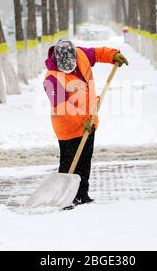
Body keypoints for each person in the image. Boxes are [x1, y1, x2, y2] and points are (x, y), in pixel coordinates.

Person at [43, 40, 129, 206]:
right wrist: (83, 121)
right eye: (65, 65)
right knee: (69, 164)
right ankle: (67, 198)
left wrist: (113, 54)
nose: (70, 67)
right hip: (67, 127)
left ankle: (82, 194)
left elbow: (96, 53)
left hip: (90, 121)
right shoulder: (52, 79)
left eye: (72, 63)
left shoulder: (81, 55)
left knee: (84, 161)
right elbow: (63, 108)